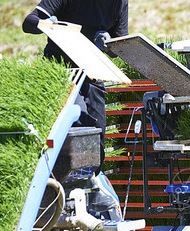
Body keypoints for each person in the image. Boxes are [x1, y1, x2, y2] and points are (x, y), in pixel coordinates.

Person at [22, 0, 129, 172]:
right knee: (74, 133)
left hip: (92, 73)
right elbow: (28, 22)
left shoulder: (119, 2)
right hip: (61, 74)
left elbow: (119, 43)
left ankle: (91, 183)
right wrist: (48, 25)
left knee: (96, 142)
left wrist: (109, 43)